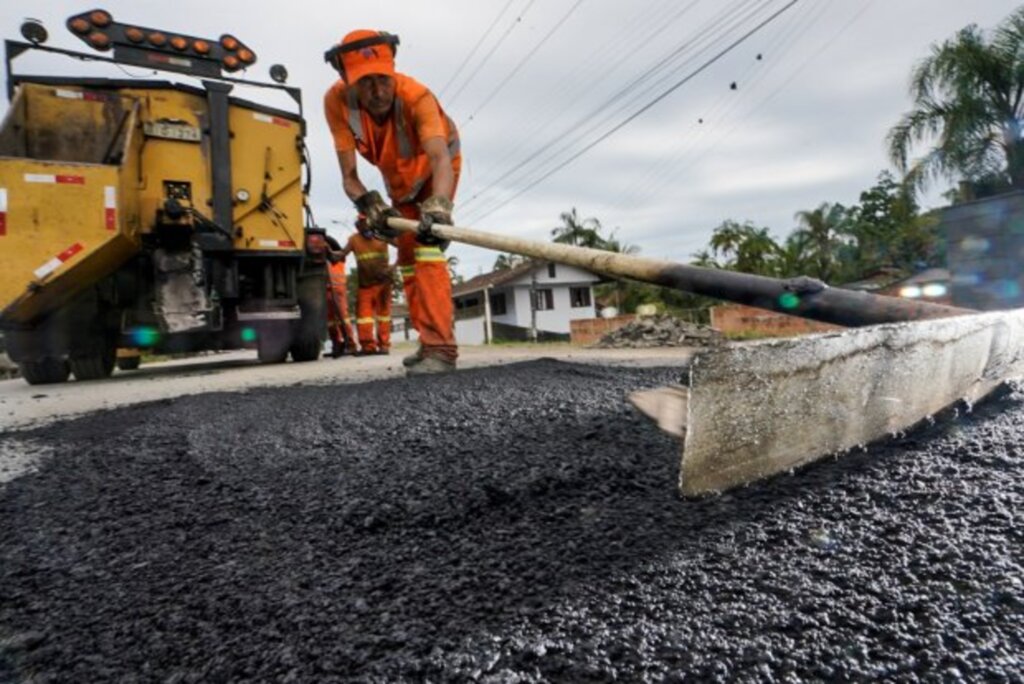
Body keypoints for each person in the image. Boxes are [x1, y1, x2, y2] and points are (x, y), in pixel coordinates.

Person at [323, 29, 461, 375]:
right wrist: (370, 205)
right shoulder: (336, 103)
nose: (378, 91)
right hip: (398, 180)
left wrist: (440, 206)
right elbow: (349, 177)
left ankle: (441, 350)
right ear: (344, 78)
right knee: (408, 260)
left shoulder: (417, 97)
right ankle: (427, 342)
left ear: (393, 67)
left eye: (383, 79)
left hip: (435, 173)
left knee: (427, 249)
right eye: (365, 82)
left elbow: (440, 159)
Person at [335, 217, 393, 355]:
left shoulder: (383, 236)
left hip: (383, 284)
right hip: (365, 285)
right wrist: (329, 252)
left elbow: (401, 246)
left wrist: (394, 267)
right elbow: (342, 254)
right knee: (363, 317)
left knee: (383, 316)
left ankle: (384, 346)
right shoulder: (354, 239)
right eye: (361, 225)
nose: (364, 228)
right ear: (357, 227)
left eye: (366, 224)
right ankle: (368, 347)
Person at [324, 235, 357, 358]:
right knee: (330, 321)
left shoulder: (338, 256)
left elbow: (336, 251)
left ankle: (351, 344)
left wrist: (326, 242)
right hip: (327, 291)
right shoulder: (323, 257)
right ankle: (336, 344)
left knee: (343, 318)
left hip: (337, 290)